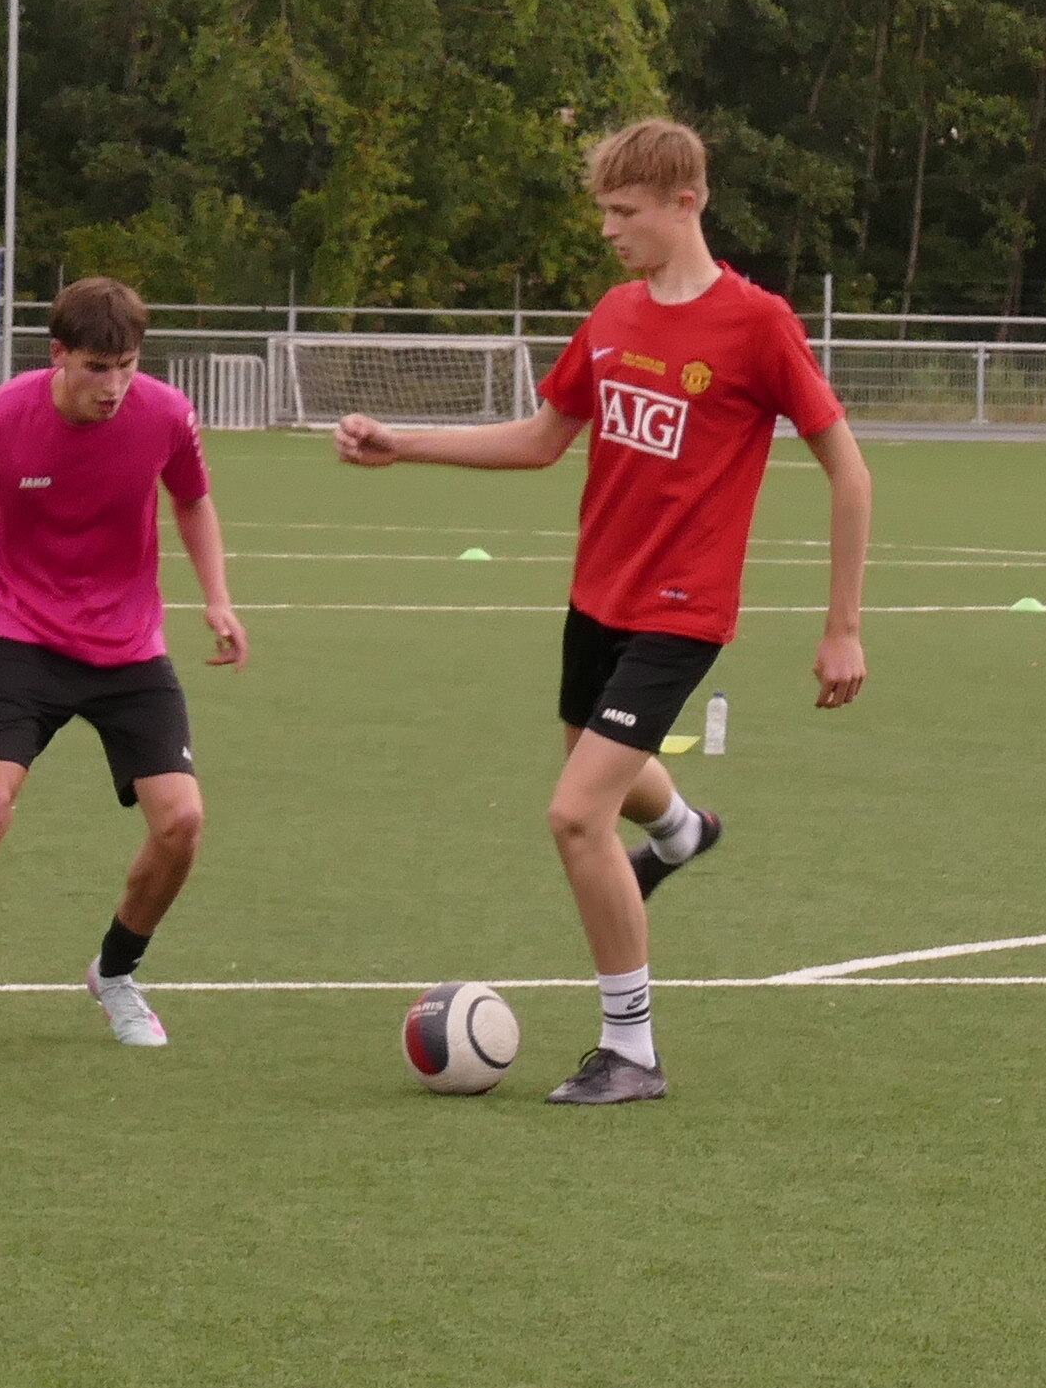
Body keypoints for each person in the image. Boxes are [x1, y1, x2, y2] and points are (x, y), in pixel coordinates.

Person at [332, 119, 869, 1103]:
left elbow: (850, 471)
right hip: (597, 599)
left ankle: (632, 1049)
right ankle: (681, 831)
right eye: (605, 211)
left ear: (685, 203)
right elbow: (544, 439)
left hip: (683, 609)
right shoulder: (616, 313)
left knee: (576, 814)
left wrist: (842, 626)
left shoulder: (756, 324)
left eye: (625, 212)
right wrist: (402, 444)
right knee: (597, 761)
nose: (609, 229)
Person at [0, 277, 245, 1060]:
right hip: (22, 641)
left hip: (129, 649)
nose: (113, 387)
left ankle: (116, 972)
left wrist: (218, 598)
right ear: (59, 355)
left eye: (127, 367)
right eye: (97, 368)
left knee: (182, 822)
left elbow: (192, 499)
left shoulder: (167, 414)